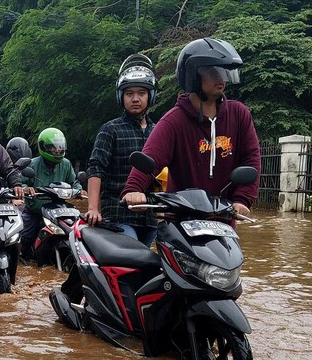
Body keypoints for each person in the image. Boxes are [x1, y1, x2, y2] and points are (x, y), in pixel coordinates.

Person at [122, 38, 260, 219]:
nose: (220, 78)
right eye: (212, 71)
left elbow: (251, 159)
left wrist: (242, 199)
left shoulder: (239, 114)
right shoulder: (174, 120)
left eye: (223, 71)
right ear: (192, 76)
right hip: (181, 223)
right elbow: (151, 158)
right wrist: (133, 189)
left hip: (222, 222)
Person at [85, 53, 159, 246]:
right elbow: (96, 168)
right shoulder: (110, 129)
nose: (135, 99)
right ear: (121, 97)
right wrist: (93, 208)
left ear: (150, 96)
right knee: (130, 260)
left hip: (151, 217)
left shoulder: (158, 131)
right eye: (129, 94)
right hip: (118, 216)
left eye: (141, 93)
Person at [19, 127, 80, 258]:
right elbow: (21, 183)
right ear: (43, 147)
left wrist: (80, 190)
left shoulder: (66, 164)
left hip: (58, 212)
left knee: (76, 232)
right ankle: (23, 258)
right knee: (25, 237)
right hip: (35, 212)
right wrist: (27, 189)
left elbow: (74, 183)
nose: (57, 150)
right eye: (52, 147)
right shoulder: (33, 164)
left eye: (59, 147)